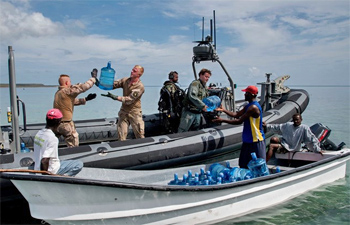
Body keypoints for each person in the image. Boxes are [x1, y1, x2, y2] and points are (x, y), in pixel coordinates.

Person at [213, 85, 266, 169]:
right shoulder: (248, 106)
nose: (244, 95)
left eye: (246, 93)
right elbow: (236, 115)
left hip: (256, 140)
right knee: (243, 164)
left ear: (251, 94)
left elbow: (239, 121)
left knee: (259, 165)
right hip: (247, 140)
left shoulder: (253, 108)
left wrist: (222, 120)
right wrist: (224, 110)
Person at [33, 108, 83, 176]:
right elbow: (44, 161)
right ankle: (63, 178)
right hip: (52, 170)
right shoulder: (52, 138)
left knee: (61, 161)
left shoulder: (38, 134)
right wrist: (45, 177)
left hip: (37, 168)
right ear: (59, 122)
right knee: (79, 164)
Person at [100, 65, 145, 141]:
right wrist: (102, 83)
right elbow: (115, 84)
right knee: (121, 136)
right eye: (132, 69)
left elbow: (129, 99)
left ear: (139, 75)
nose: (131, 71)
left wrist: (115, 97)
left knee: (139, 135)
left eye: (134, 71)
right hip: (124, 111)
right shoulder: (126, 80)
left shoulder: (140, 86)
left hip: (135, 112)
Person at [53, 72, 97, 147]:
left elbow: (71, 102)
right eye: (70, 81)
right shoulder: (67, 91)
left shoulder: (58, 93)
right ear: (66, 82)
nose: (71, 83)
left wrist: (85, 99)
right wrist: (93, 78)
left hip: (55, 124)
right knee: (73, 145)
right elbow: (83, 87)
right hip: (66, 124)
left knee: (52, 143)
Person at [177, 68, 211, 133]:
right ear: (201, 75)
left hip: (197, 112)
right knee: (183, 130)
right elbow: (192, 96)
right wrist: (203, 106)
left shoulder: (204, 87)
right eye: (206, 76)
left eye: (208, 77)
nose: (207, 79)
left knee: (196, 131)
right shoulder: (195, 84)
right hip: (189, 112)